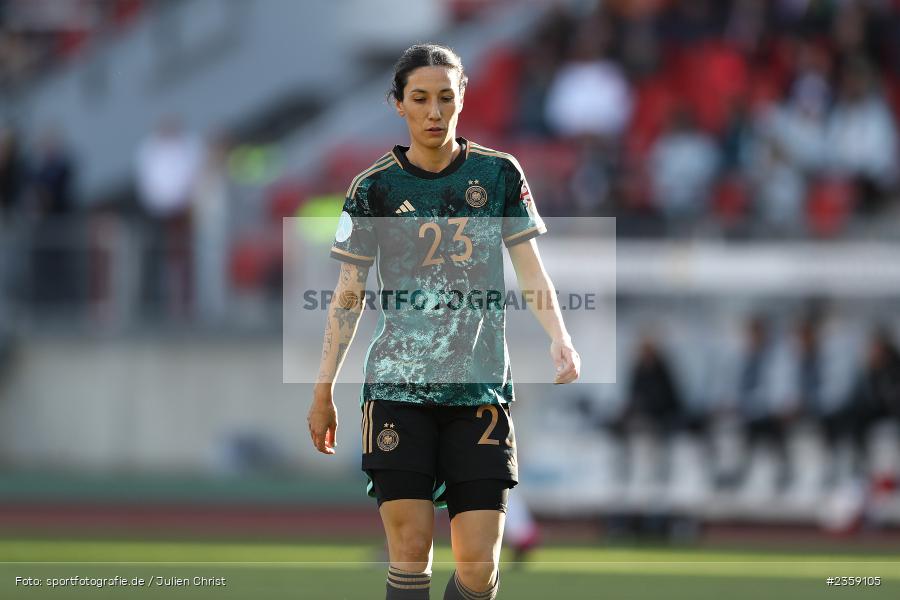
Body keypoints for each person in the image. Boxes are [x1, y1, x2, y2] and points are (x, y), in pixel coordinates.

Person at [307, 44, 581, 600]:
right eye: (421, 99)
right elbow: (348, 295)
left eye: (446, 98)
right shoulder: (373, 188)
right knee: (410, 553)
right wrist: (323, 389)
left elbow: (530, 270)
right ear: (399, 105)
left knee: (479, 568)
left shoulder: (498, 174)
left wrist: (562, 338)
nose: (435, 111)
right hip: (398, 391)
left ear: (462, 100)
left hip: (478, 392)